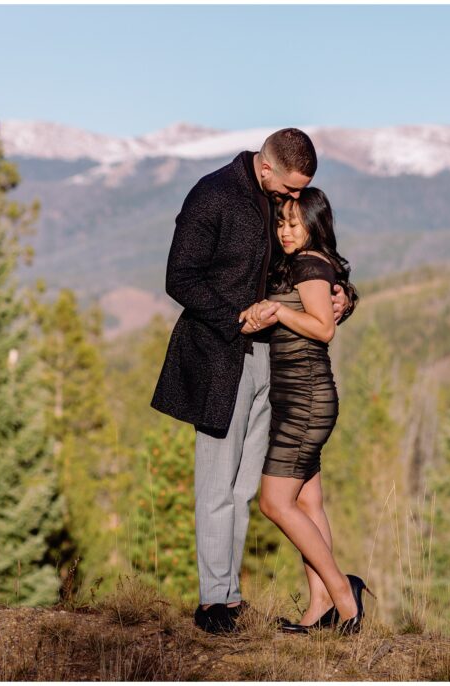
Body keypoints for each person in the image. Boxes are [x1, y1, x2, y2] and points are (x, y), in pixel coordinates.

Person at [151, 129, 352, 634]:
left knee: (245, 489)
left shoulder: (280, 203)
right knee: (217, 485)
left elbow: (311, 262)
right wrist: (236, 319)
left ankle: (234, 599)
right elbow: (180, 277)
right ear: (266, 170)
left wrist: (345, 296)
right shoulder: (212, 195)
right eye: (288, 190)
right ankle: (214, 603)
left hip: (280, 366)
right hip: (223, 359)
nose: (293, 201)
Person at [242, 188, 372, 635]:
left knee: (275, 502)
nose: (285, 230)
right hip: (297, 397)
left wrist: (278, 311)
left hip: (307, 399)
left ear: (314, 224)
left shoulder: (310, 264)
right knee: (306, 500)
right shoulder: (302, 263)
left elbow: (323, 328)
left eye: (294, 223)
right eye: (281, 222)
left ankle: (343, 594)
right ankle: (319, 605)